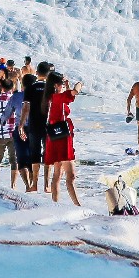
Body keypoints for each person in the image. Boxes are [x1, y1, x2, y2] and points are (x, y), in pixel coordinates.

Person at [42, 68, 80, 205]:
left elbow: (69, 98)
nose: (63, 86)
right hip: (62, 138)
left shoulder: (51, 98)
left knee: (57, 173)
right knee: (71, 176)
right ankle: (77, 205)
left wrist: (67, 86)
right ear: (55, 85)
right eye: (61, 84)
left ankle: (56, 204)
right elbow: (73, 94)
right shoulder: (57, 98)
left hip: (54, 137)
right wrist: (79, 84)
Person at [15, 65, 50, 193]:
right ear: (48, 74)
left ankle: (34, 184)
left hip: (34, 124)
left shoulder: (30, 88)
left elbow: (25, 108)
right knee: (47, 154)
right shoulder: (50, 88)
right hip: (48, 124)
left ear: (36, 72)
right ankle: (46, 185)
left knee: (35, 152)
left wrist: (21, 124)